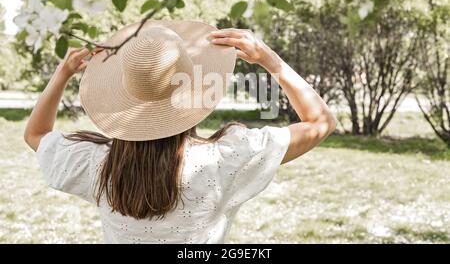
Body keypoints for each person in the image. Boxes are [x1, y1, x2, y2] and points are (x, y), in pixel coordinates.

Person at [24, 20, 336, 243]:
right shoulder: (226, 159)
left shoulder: (97, 164)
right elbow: (320, 123)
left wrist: (62, 74)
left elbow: (35, 135)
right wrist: (272, 62)